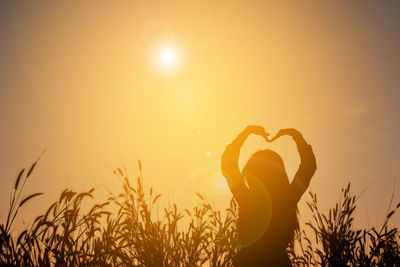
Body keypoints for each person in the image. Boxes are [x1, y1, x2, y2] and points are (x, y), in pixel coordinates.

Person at [221, 125, 316, 266]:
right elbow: (309, 166)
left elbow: (228, 164)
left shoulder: (247, 198)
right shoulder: (287, 198)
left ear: (252, 173)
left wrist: (246, 132)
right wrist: (296, 136)